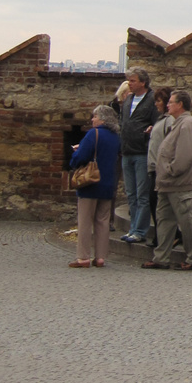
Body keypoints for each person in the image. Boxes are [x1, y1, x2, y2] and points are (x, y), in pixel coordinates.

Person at [143, 90, 192, 270]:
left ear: (180, 104)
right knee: (164, 220)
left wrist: (170, 170)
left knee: (186, 222)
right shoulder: (178, 123)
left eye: (171, 102)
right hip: (166, 184)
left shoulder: (186, 124)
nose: (167, 104)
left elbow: (184, 156)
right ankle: (161, 257)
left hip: (177, 183)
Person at [65, 105, 121, 268]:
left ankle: (83, 257)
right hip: (108, 183)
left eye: (95, 116)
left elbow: (80, 157)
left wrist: (75, 152)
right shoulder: (115, 137)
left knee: (85, 220)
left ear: (103, 118)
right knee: (103, 220)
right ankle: (100, 257)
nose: (92, 119)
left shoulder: (93, 134)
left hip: (90, 183)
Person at [113, 66, 156, 244]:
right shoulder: (129, 99)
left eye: (133, 81)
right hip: (127, 151)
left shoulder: (151, 100)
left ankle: (140, 230)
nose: (129, 84)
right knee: (131, 193)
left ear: (142, 82)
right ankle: (133, 228)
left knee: (142, 194)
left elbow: (157, 121)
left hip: (142, 151)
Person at [145, 87, 173, 246]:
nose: (156, 104)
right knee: (155, 204)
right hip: (155, 166)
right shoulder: (161, 119)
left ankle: (164, 236)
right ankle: (161, 236)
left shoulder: (169, 120)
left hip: (160, 168)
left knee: (157, 204)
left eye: (159, 101)